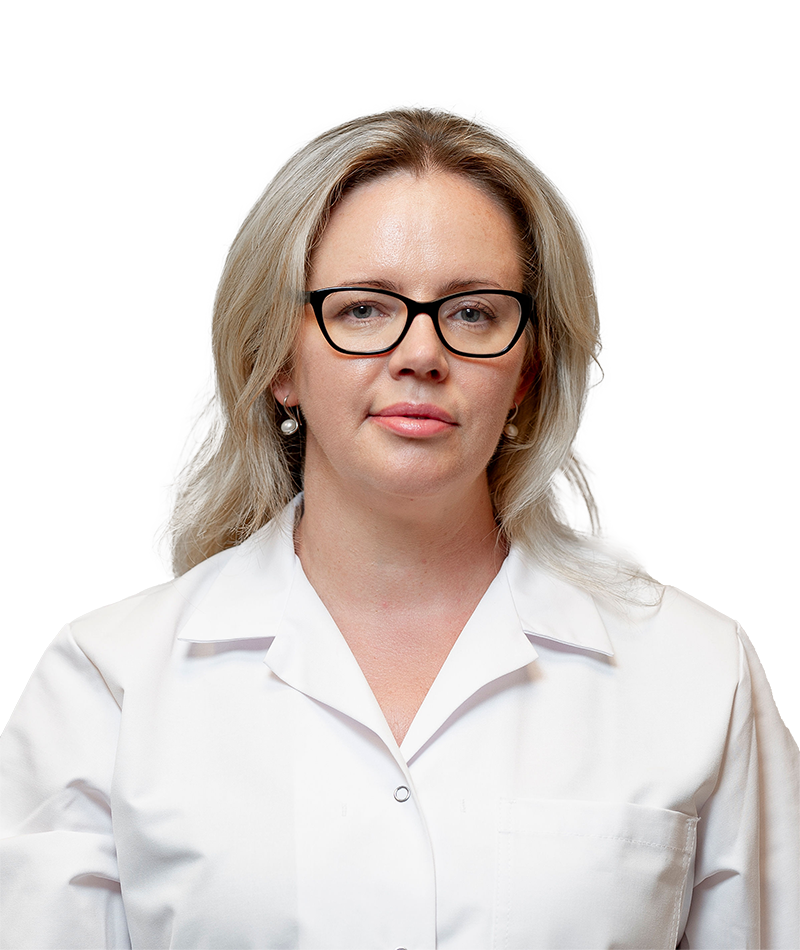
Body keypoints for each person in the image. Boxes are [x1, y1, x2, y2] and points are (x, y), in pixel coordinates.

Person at [0, 106, 798, 949]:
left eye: (474, 312)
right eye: (364, 310)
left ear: (528, 370)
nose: (421, 354)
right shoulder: (110, 684)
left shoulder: (695, 670)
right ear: (277, 361)